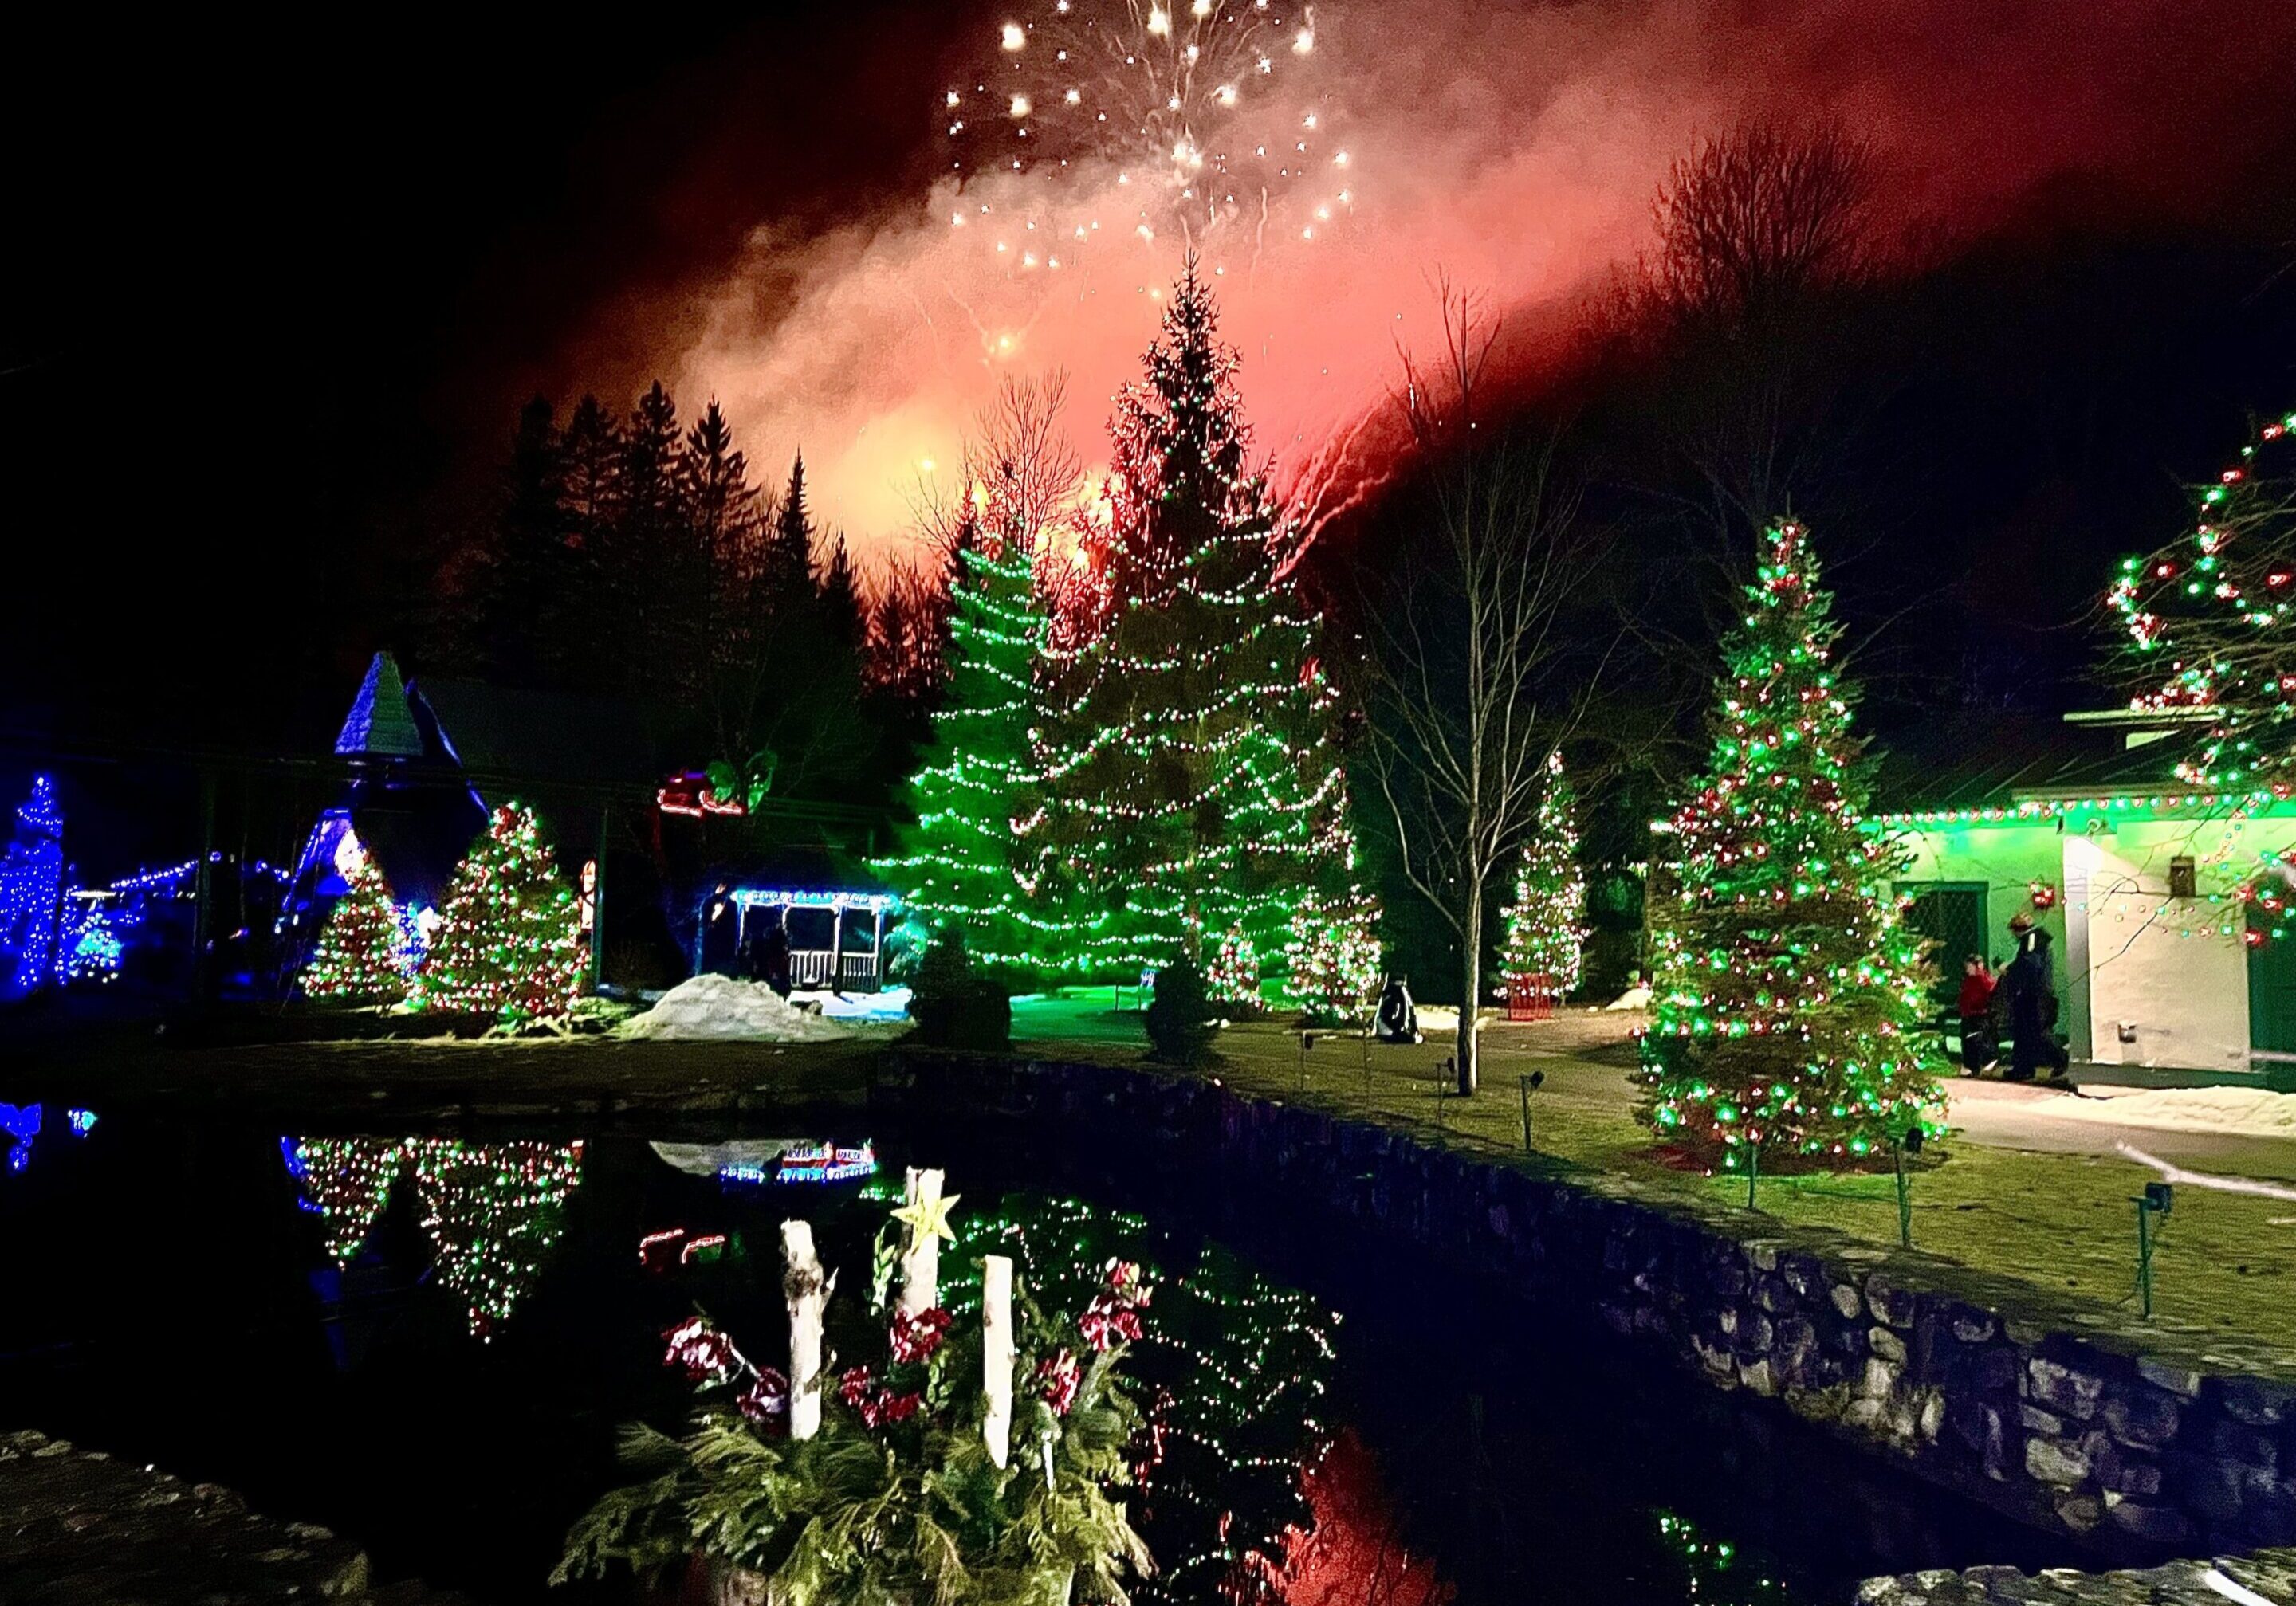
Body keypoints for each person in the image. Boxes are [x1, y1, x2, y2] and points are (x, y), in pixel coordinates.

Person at [1998, 915, 2069, 1082]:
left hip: (2033, 995)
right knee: (2026, 1032)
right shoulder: (2038, 940)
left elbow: (2030, 965)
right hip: (2037, 994)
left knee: (2035, 1031)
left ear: (2018, 930)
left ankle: (2059, 1059)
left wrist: (2009, 969)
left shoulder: (2032, 940)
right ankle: (2023, 1067)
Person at [1956, 955, 1997, 1075]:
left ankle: (1975, 1065)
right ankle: (1972, 1066)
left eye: (1969, 966)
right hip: (1968, 1014)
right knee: (1969, 1041)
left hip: (1977, 1015)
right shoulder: (1970, 980)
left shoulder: (1982, 980)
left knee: (1974, 1040)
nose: (1967, 969)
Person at [699, 882, 739, 977]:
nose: (723, 890)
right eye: (721, 887)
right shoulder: (709, 902)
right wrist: (715, 916)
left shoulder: (731, 904)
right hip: (712, 944)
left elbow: (732, 926)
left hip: (724, 944)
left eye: (724, 887)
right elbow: (705, 924)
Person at [1374, 975, 1422, 1044]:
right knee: (1410, 1039)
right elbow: (1389, 1016)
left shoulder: (1390, 992)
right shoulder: (1398, 993)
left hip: (1388, 1030)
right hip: (1390, 1031)